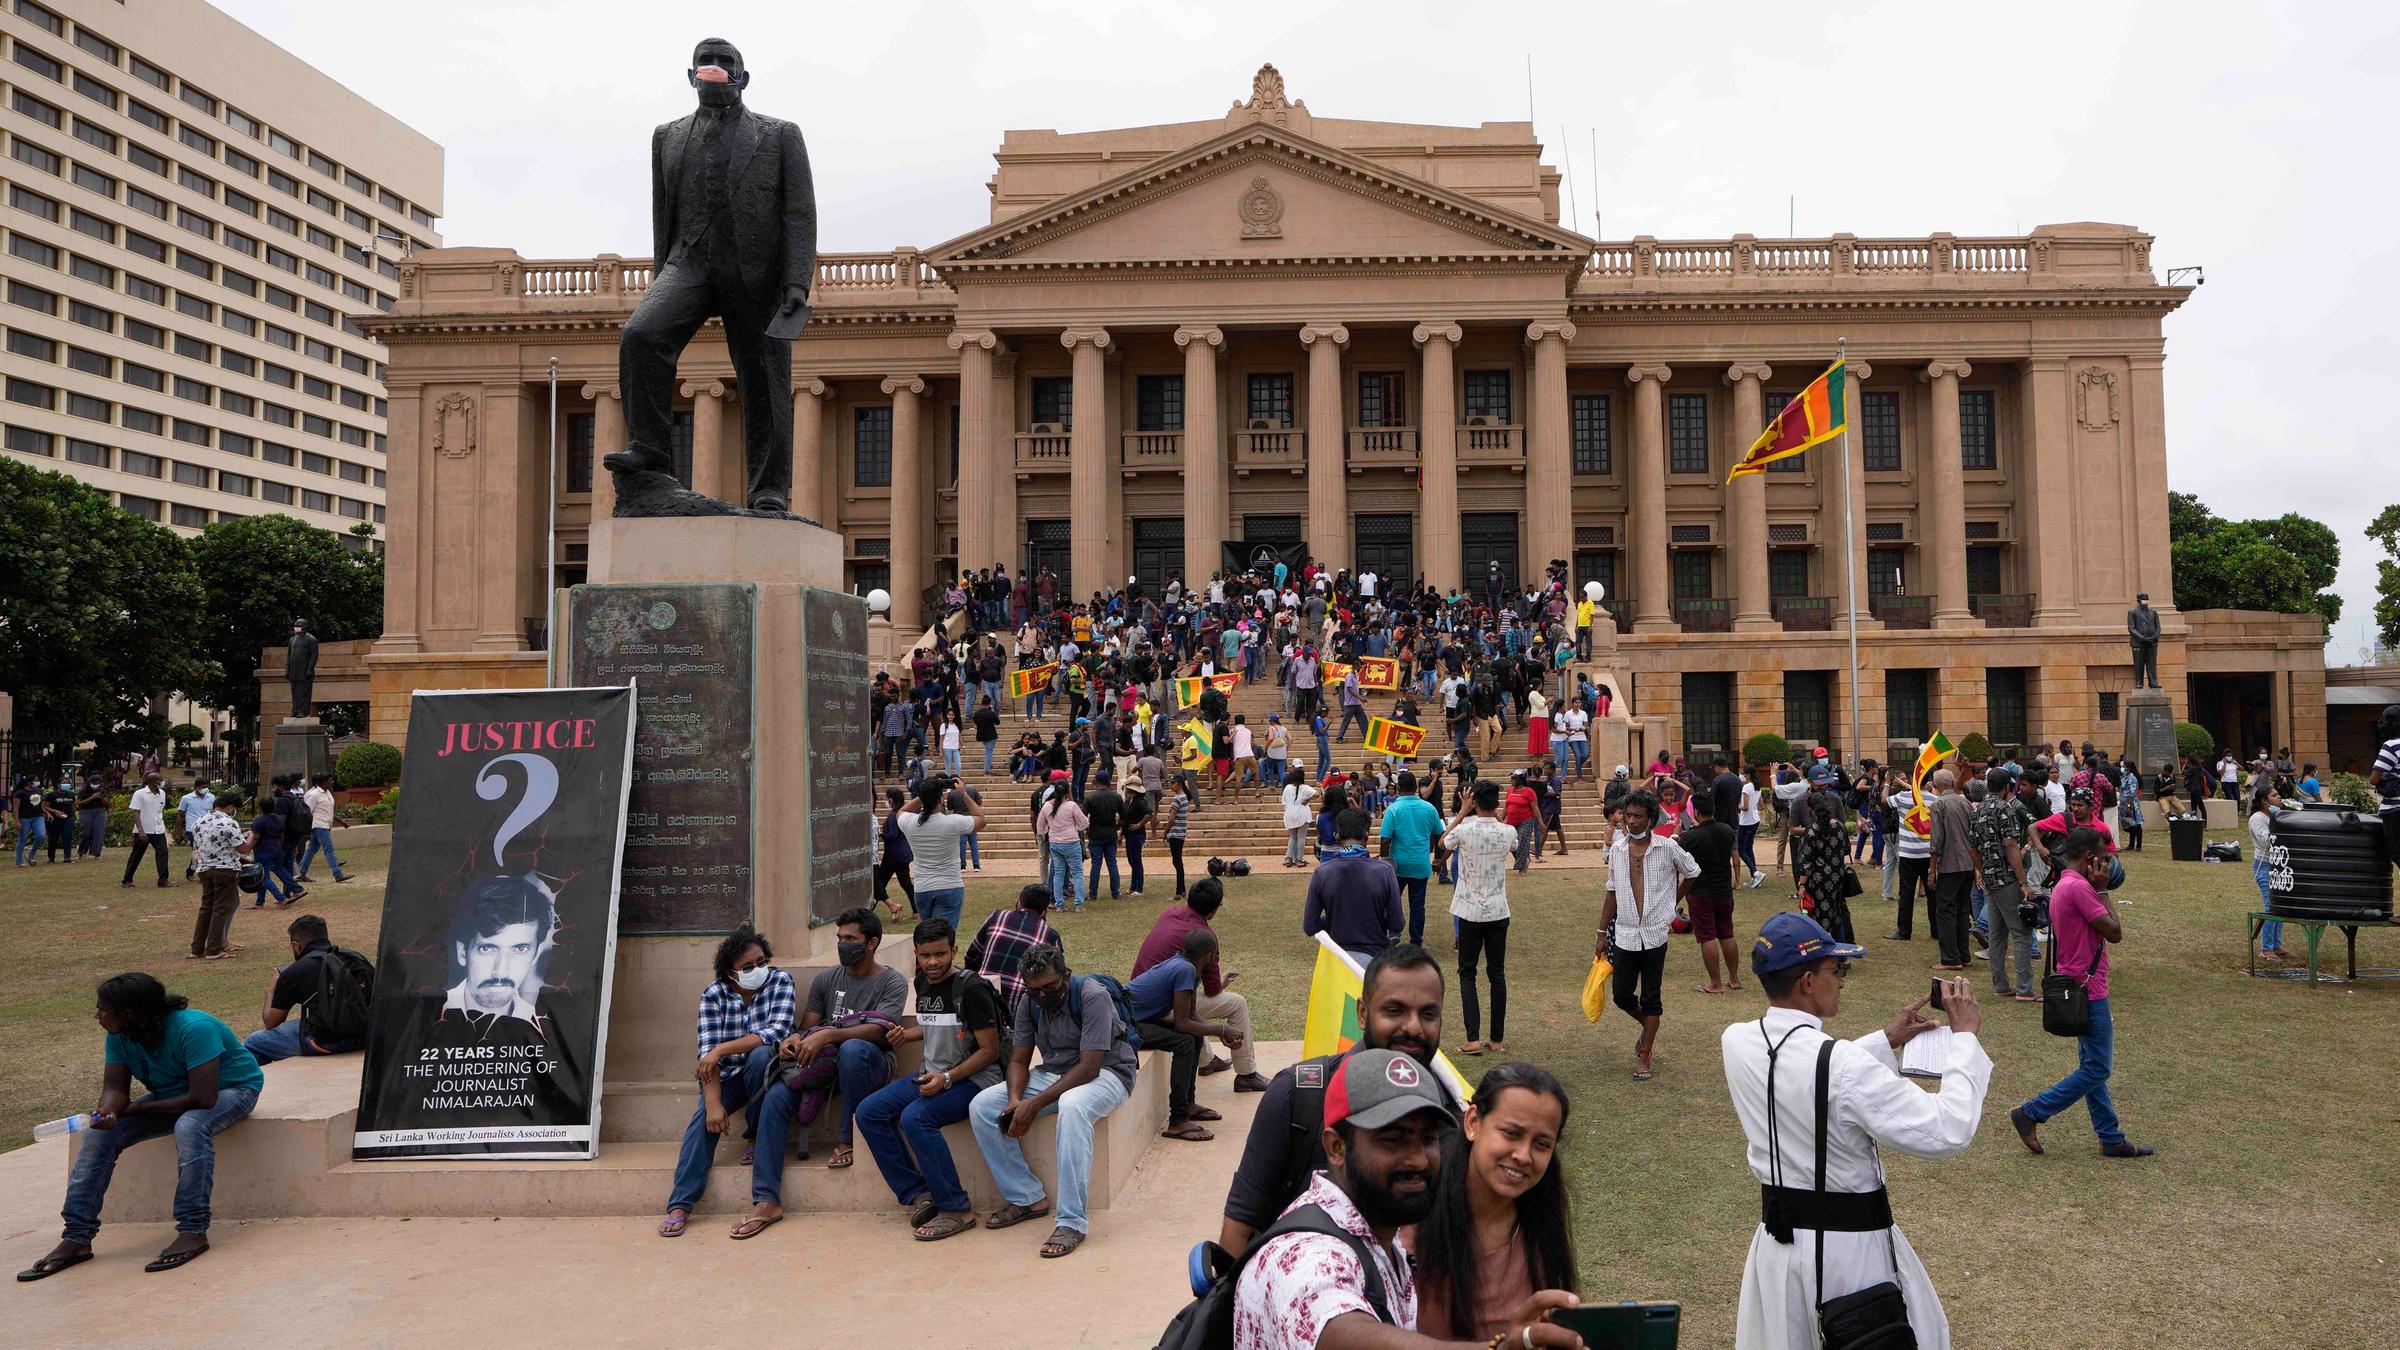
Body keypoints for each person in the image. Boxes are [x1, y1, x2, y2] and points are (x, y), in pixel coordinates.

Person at [1724, 913, 1991, 1349]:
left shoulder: (1737, 1041)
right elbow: (1948, 1129)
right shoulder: (1846, 1067)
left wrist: (1884, 1039)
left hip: (1776, 1248)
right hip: (1848, 1255)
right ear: (1808, 982)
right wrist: (1965, 1039)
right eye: (1838, 970)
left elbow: (1800, 1067)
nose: (1844, 982)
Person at [1231, 1047, 1583, 1349]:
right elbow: (1338, 1331)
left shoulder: (1382, 1241)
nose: (1417, 1159)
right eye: (1393, 1139)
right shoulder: (1306, 1252)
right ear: (1336, 1148)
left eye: (1427, 1138)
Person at [18, 972, 266, 1279]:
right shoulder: (120, 1035)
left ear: (127, 1014)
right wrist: (108, 1110)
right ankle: (76, 1238)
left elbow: (203, 1097)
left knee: (189, 1127)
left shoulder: (194, 1028)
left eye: (102, 1009)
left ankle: (192, 1230)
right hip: (172, 1095)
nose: (98, 1016)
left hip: (233, 1090)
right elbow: (116, 1088)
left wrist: (134, 1109)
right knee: (98, 1137)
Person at [1219, 945, 1453, 1255]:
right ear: (1362, 1013)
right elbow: (1239, 1226)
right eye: (1394, 1011)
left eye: (1428, 1013)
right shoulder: (1298, 1095)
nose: (1412, 1027)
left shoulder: (1451, 1112)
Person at [968, 944, 1137, 1259]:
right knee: (982, 1106)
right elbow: (1018, 1060)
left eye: (1050, 987)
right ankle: (1026, 1196)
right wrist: (1016, 1099)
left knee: (1073, 1106)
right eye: (1035, 990)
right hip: (1054, 1073)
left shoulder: (1091, 995)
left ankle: (1072, 1221)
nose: (1043, 995)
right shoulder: (1028, 1004)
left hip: (1108, 1073)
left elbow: (1089, 1067)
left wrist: (1034, 1105)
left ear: (1066, 975)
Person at [856, 917, 1007, 1242]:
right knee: (869, 1112)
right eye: (926, 956)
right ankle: (918, 1194)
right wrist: (905, 1035)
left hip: (974, 1080)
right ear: (916, 955)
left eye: (940, 954)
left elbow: (989, 1052)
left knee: (916, 1118)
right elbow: (934, 1024)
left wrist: (948, 1078)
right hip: (931, 1075)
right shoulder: (923, 983)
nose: (933, 962)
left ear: (953, 950)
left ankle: (956, 1209)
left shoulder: (972, 988)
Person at [2009, 828, 2154, 1159]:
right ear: (2090, 858)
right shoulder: (2081, 889)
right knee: (2098, 1068)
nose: (2107, 864)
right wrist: (2103, 891)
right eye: (2103, 858)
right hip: (2088, 990)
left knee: (2091, 1064)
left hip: (2077, 985)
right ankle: (2031, 1112)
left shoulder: (2064, 884)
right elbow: (2115, 933)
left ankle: (2110, 1136)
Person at [1413, 1063, 1581, 1342]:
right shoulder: (1413, 1220)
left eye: (1541, 1144)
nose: (1524, 1156)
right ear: (1472, 1123)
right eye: (1511, 1134)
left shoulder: (1540, 1224)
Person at [655, 925, 795, 1239]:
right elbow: (707, 1059)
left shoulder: (781, 981)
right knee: (703, 1120)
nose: (757, 970)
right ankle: (680, 1204)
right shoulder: (714, 994)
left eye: (761, 962)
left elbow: (776, 1032)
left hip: (769, 1073)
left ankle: (755, 1136)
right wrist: (714, 1105)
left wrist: (722, 1049)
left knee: (760, 1056)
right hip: (728, 1078)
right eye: (747, 967)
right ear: (730, 973)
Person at [754, 907, 908, 1180]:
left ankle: (848, 1139)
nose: (842, 945)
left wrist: (827, 1035)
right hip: (824, 1064)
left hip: (869, 1063)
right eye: (840, 938)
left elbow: (879, 1032)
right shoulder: (826, 978)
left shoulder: (892, 981)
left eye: (850, 939)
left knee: (852, 1049)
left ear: (871, 943)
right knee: (776, 1096)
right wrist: (795, 1038)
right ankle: (765, 1197)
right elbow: (807, 1027)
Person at [1131, 877, 1267, 1091]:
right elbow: (1212, 990)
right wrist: (1222, 985)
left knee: (1188, 992)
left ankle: (1206, 1061)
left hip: (1139, 997)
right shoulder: (1206, 939)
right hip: (1158, 1008)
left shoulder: (1169, 913)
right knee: (1237, 1003)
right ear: (1213, 911)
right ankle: (1247, 1074)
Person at [1601, 790, 1697, 1081]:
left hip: (1656, 933)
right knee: (1621, 994)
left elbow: (1692, 871)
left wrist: (1672, 902)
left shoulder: (1668, 848)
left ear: (1651, 819)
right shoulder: (1618, 849)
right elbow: (1612, 890)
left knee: (1651, 995)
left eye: (1637, 816)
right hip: (1626, 933)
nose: (1631, 821)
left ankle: (1645, 1054)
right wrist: (1601, 931)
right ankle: (1649, 1026)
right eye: (1628, 815)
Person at [1128, 927, 1244, 1141]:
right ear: (1209, 955)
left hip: (1140, 1019)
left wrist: (1220, 1033)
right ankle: (1178, 1120)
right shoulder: (1184, 970)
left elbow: (1191, 1014)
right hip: (1125, 1025)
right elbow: (1182, 1024)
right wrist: (1222, 1028)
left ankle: (1188, 1105)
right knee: (1184, 1042)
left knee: (1194, 1037)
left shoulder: (1188, 967)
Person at [1442, 780, 1517, 1056]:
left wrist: (1462, 812)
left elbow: (1442, 843)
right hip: (1498, 910)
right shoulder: (1507, 831)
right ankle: (1495, 1039)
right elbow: (1515, 844)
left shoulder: (1464, 829)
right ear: (1497, 803)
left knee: (1467, 973)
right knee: (1496, 974)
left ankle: (1473, 1038)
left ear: (1473, 801)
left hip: (1469, 911)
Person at [242, 914, 372, 1062]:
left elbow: (271, 1022)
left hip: (323, 1041)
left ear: (297, 946)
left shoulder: (296, 971)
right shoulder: (355, 958)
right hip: (365, 1036)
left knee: (252, 1043)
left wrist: (273, 987)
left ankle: (256, 1083)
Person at [1969, 769, 2038, 1000]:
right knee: (2021, 933)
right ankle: (2025, 990)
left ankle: (2000, 986)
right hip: (2007, 878)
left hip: (1990, 879)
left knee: (1997, 935)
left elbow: (1972, 848)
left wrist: (1984, 870)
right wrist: (2023, 881)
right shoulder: (2005, 809)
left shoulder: (1977, 811)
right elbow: (2011, 846)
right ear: (2007, 787)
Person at [1305, 808, 1403, 964]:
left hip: (1336, 960)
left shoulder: (1322, 873)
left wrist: (1335, 916)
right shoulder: (1385, 871)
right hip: (1374, 960)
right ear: (1366, 836)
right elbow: (1397, 923)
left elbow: (1310, 926)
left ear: (1336, 836)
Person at [965, 883, 1064, 1022]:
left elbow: (972, 955)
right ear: (1045, 912)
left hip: (981, 1001)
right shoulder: (1051, 936)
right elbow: (1057, 979)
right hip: (1020, 1013)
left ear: (1018, 903)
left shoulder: (997, 917)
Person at [898, 775, 984, 932]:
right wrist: (963, 793)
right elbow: (981, 819)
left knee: (928, 934)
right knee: (942, 936)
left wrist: (924, 795)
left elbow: (902, 811)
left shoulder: (910, 822)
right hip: (949, 886)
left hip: (922, 887)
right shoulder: (953, 822)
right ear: (941, 800)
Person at [1681, 791, 1744, 996]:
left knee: (1707, 936)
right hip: (1724, 891)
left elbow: (1678, 859)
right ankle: (1734, 979)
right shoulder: (1727, 831)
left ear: (1696, 812)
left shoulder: (1690, 837)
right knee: (1726, 933)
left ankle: (1715, 983)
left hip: (1701, 892)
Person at [1379, 771, 1442, 946]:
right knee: (1417, 905)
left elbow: (1385, 839)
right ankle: (1416, 941)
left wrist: (1385, 860)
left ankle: (1393, 933)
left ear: (1398, 788)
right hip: (1420, 865)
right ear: (1416, 788)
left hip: (1397, 866)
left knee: (1391, 902)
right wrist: (1437, 858)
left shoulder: (1393, 809)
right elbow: (1439, 836)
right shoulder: (1429, 808)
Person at [185, 796, 250, 961]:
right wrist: (252, 837)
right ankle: (214, 949)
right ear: (229, 807)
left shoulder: (199, 822)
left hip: (205, 869)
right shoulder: (229, 823)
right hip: (225, 870)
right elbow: (242, 848)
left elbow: (201, 845)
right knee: (220, 909)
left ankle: (197, 949)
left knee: (206, 908)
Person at [1925, 769, 1977, 971]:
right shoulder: (1965, 802)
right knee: (1963, 910)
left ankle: (1950, 959)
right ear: (1953, 783)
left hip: (1950, 865)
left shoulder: (1938, 804)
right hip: (1968, 863)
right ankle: (1964, 955)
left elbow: (1936, 840)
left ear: (1936, 786)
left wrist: (1931, 870)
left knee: (1946, 911)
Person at [1035, 774, 1090, 914]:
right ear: (1067, 791)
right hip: (1071, 842)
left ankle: (1059, 904)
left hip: (1055, 842)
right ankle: (1079, 904)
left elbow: (1040, 826)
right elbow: (1084, 823)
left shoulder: (1047, 806)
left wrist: (1050, 830)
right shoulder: (1071, 806)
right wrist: (1075, 827)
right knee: (1077, 873)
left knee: (1058, 874)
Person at [1884, 779, 1930, 942]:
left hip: (1908, 854)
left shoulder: (1903, 797)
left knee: (1906, 894)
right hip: (1929, 854)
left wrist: (1886, 783)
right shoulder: (1934, 800)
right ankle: (1937, 929)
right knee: (1933, 893)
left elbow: (1884, 801)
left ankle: (1904, 931)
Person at [293, 772, 352, 884]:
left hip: (325, 825)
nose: (332, 782)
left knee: (311, 850)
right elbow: (307, 812)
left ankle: (301, 873)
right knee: (328, 848)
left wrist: (341, 822)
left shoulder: (328, 793)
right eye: (330, 780)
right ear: (323, 781)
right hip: (318, 825)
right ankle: (337, 874)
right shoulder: (314, 794)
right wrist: (305, 829)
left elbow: (329, 811)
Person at [120, 771, 172, 889]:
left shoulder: (162, 793)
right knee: (137, 855)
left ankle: (163, 880)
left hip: (158, 830)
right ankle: (127, 880)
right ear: (152, 782)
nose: (161, 782)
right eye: (158, 780)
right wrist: (140, 830)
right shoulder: (140, 794)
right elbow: (136, 812)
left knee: (163, 853)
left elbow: (159, 811)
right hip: (143, 830)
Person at [1083, 767, 1126, 904]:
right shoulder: (1116, 797)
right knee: (1112, 863)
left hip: (1095, 834)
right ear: (1109, 781)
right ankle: (1115, 892)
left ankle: (1093, 893)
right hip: (1110, 833)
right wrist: (1116, 827)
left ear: (1096, 781)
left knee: (1096, 865)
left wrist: (1088, 829)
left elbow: (1082, 817)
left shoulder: (1091, 798)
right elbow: (1124, 817)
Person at [874, 787, 916, 921]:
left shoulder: (893, 815)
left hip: (892, 855)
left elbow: (892, 834)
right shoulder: (903, 812)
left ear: (890, 799)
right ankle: (917, 911)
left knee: (879, 883)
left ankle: (889, 907)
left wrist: (881, 834)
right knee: (906, 884)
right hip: (903, 854)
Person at [1280, 765, 1319, 869]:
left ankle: (1288, 858)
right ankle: (1299, 859)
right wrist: (1307, 800)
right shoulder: (1305, 788)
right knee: (1301, 838)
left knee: (1292, 837)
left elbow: (1283, 802)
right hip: (1302, 814)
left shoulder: (1287, 788)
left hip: (1289, 814)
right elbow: (1317, 794)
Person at [174, 778, 214, 877]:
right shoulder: (187, 798)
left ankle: (191, 871)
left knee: (203, 851)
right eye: (203, 787)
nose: (206, 789)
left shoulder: (211, 797)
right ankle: (199, 873)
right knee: (199, 851)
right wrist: (178, 833)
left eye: (207, 787)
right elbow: (180, 815)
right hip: (192, 829)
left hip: (207, 828)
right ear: (197, 787)